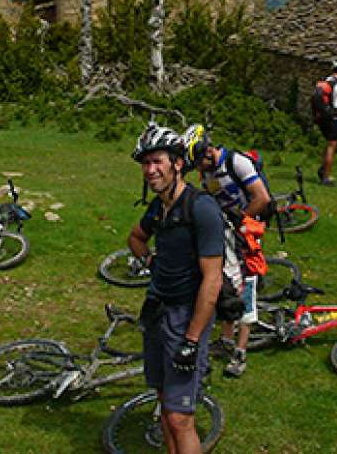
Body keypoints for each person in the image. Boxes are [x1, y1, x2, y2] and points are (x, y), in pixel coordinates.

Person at [127, 123, 224, 454]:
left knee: (181, 418)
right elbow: (135, 238)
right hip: (157, 310)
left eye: (157, 161)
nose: (150, 170)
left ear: (177, 163)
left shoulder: (201, 207)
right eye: (145, 163)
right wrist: (153, 264)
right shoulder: (158, 206)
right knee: (165, 407)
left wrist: (192, 341)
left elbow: (213, 280)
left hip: (186, 317)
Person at [182, 124, 269, 378]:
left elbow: (261, 198)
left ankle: (240, 353)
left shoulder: (237, 162)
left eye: (199, 162)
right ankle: (226, 339)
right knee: (225, 284)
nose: (199, 169)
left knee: (246, 288)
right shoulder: (207, 173)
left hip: (247, 234)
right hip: (227, 234)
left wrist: (240, 222)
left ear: (208, 152)